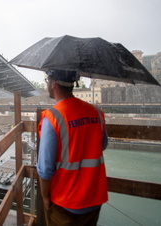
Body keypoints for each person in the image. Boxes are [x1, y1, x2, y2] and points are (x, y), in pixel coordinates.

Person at [37, 69, 108, 226]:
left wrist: (45, 197)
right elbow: (102, 145)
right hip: (94, 197)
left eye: (47, 81)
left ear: (53, 83)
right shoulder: (96, 112)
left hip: (65, 202)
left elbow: (45, 168)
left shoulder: (53, 117)